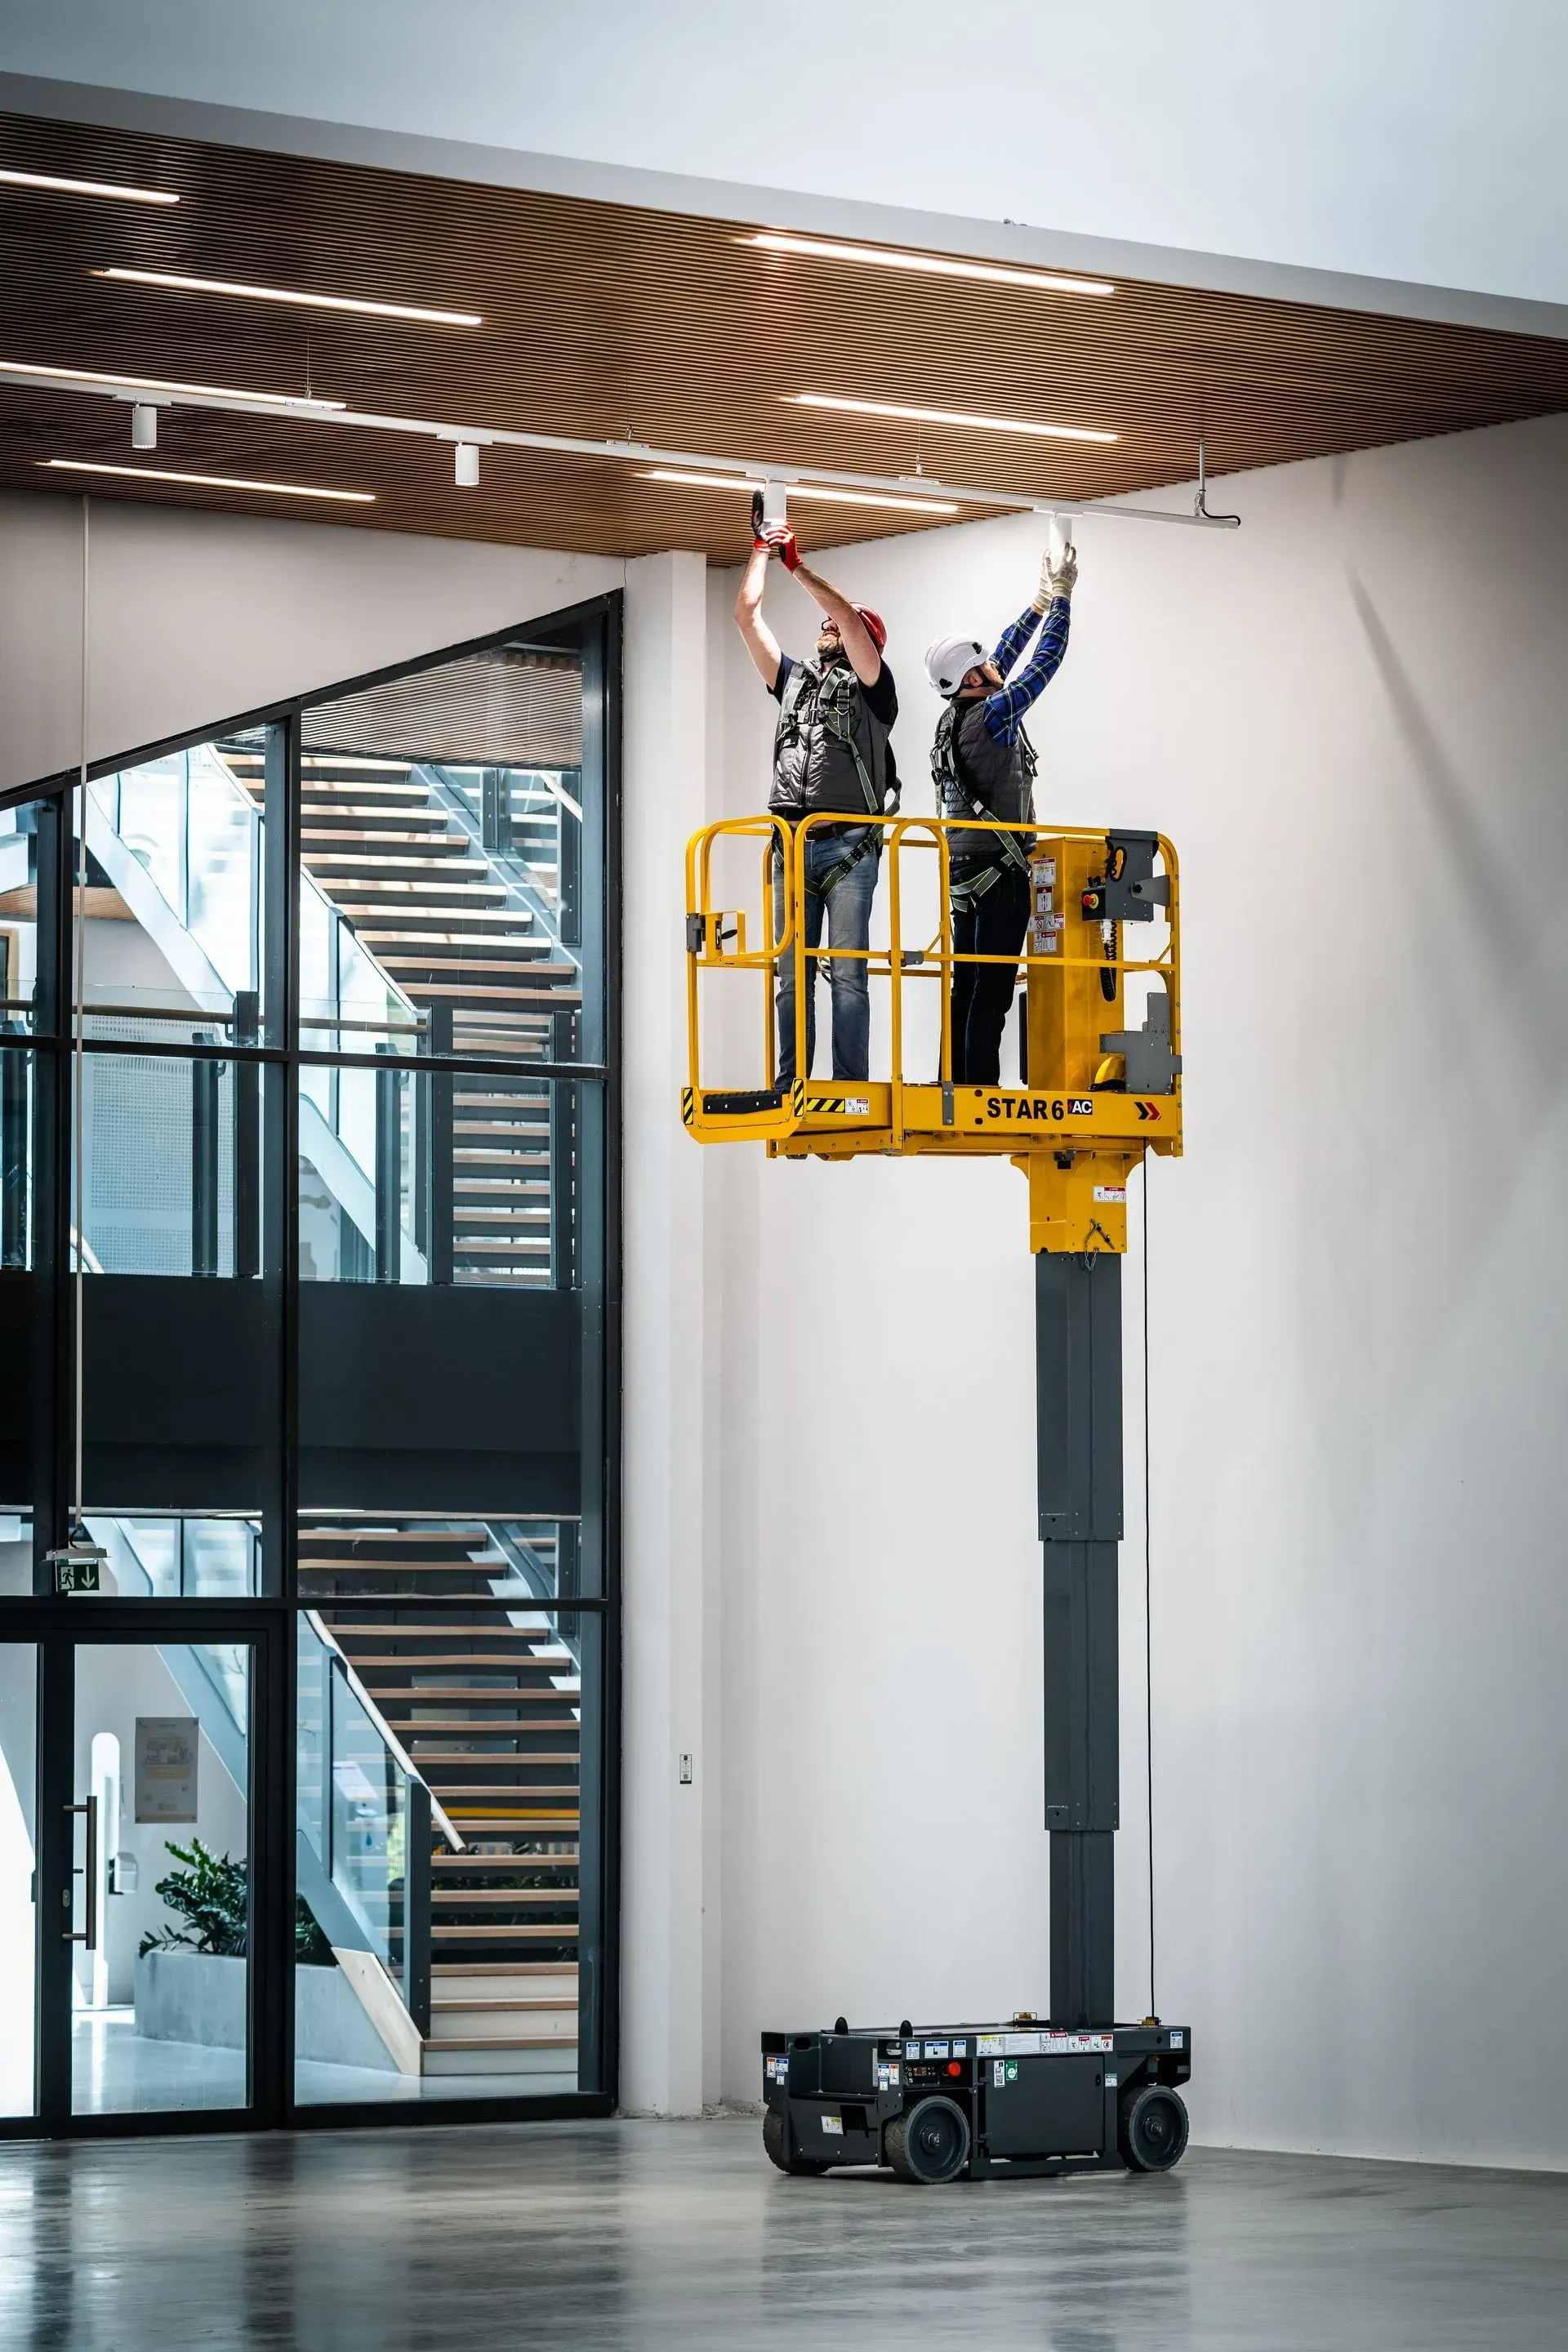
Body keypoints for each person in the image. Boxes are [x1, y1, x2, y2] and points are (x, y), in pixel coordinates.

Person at [733, 514, 897, 1082]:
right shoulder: (795, 681)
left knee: (847, 974)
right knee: (789, 975)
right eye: (823, 623)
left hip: (849, 848)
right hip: (792, 845)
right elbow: (746, 618)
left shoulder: (876, 690)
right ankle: (791, 1082)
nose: (827, 625)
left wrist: (797, 565)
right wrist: (759, 552)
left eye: (837, 624)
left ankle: (851, 1085)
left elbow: (851, 620)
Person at [924, 539, 1077, 1085]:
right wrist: (1061, 601)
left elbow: (1006, 656)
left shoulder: (955, 716)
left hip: (964, 875)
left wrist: (1036, 603)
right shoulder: (991, 715)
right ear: (970, 679)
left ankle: (957, 1081)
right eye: (982, 664)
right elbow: (1044, 662)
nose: (994, 666)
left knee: (966, 985)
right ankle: (977, 1092)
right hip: (999, 874)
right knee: (990, 992)